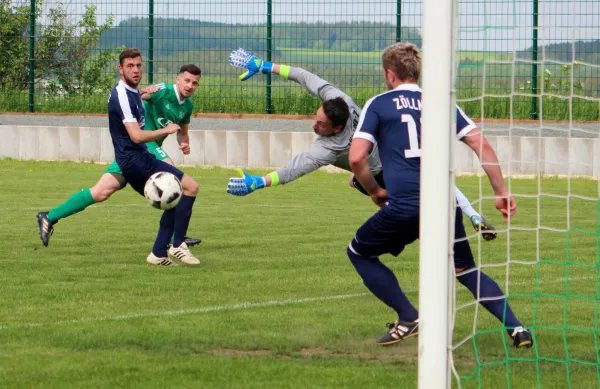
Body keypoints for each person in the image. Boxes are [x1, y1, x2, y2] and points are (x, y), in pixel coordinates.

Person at [347, 42, 532, 347]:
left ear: (390, 74)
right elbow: (480, 145)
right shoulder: (440, 103)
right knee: (466, 270)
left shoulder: (378, 104)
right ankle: (517, 329)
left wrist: (375, 191)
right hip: (445, 206)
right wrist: (500, 191)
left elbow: (356, 158)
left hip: (405, 206)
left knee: (359, 253)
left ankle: (408, 317)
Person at [226, 48, 496, 240]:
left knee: (411, 202)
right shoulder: (338, 98)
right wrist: (264, 66)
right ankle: (469, 215)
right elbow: (304, 76)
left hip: (379, 174)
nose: (314, 126)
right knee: (433, 180)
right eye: (316, 119)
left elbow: (294, 169)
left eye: (320, 125)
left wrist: (258, 182)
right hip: (385, 156)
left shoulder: (327, 148)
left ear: (337, 128)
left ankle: (445, 224)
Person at [40, 48, 199, 265]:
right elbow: (136, 111)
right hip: (143, 146)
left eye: (194, 83)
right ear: (178, 79)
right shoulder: (160, 91)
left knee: (101, 192)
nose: (190, 86)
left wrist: (183, 142)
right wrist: (151, 103)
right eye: (187, 81)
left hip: (134, 153)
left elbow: (182, 131)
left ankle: (50, 216)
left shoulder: (186, 106)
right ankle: (175, 241)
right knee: (177, 184)